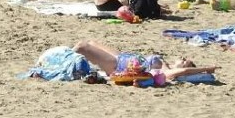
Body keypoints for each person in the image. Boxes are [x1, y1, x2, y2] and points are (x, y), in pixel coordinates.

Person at [72, 40, 219, 81]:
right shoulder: (164, 64)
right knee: (90, 42)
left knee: (82, 47)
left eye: (185, 60)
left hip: (117, 65)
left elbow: (185, 71)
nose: (182, 58)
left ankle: (62, 61)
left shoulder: (166, 72)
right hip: (121, 56)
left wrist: (206, 68)